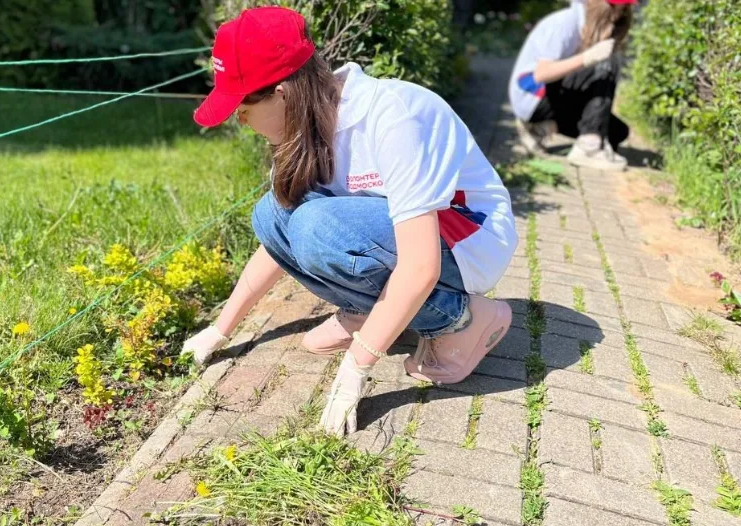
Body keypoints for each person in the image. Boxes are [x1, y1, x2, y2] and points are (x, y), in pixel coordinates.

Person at [181, 6, 517, 436]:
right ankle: (370, 309)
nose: (238, 118)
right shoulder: (305, 128)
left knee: (315, 227)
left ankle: (465, 320)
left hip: (466, 234)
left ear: (282, 93)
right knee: (272, 215)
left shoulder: (390, 115)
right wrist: (220, 329)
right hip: (396, 234)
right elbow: (276, 243)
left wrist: (358, 365)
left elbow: (421, 265)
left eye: (243, 105)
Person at [509, 0, 635, 171]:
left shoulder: (589, 25)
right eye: (615, 12)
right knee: (606, 63)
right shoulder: (565, 23)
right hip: (532, 95)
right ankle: (588, 147)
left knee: (617, 133)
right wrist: (587, 58)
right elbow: (542, 74)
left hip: (554, 94)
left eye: (622, 13)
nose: (617, 18)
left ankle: (541, 127)